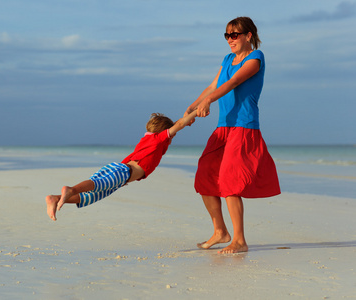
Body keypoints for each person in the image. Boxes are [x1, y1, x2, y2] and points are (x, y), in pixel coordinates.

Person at [184, 16, 281, 254]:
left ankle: (239, 240)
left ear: (248, 36)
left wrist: (209, 100)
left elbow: (234, 82)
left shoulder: (256, 58)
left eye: (234, 35)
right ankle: (220, 231)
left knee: (230, 181)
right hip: (223, 127)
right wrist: (193, 107)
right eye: (227, 35)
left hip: (244, 127)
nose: (230, 39)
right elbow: (214, 84)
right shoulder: (227, 59)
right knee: (205, 174)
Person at [46, 111, 198, 221]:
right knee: (96, 185)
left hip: (119, 170)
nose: (172, 138)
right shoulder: (158, 140)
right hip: (124, 172)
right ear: (164, 132)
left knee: (91, 196)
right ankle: (71, 189)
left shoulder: (147, 140)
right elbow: (179, 125)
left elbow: (179, 124)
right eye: (171, 135)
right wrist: (196, 112)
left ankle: (56, 198)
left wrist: (187, 117)